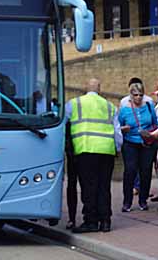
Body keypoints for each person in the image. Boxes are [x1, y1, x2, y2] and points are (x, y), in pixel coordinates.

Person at [66, 78, 121, 233]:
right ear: (100, 89)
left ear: (85, 88)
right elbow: (117, 131)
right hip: (106, 151)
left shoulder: (74, 103)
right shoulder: (110, 106)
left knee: (89, 187)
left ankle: (90, 221)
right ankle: (105, 221)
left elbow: (63, 123)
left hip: (85, 149)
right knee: (104, 187)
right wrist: (117, 148)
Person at [119, 81, 158, 212]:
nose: (138, 97)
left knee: (146, 172)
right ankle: (127, 202)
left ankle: (143, 200)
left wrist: (151, 134)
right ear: (130, 95)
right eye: (135, 95)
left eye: (141, 94)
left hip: (147, 143)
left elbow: (155, 123)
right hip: (130, 143)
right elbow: (118, 127)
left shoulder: (148, 106)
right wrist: (123, 129)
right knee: (130, 171)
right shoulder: (124, 110)